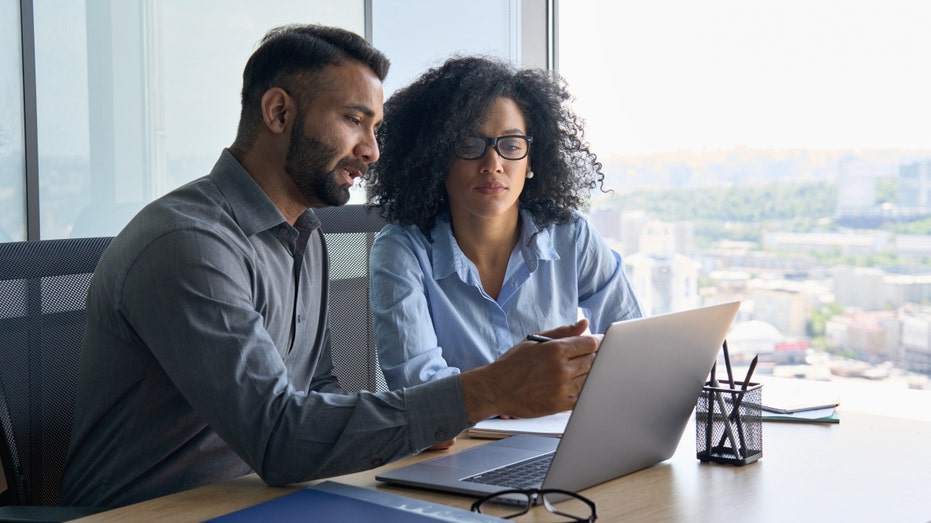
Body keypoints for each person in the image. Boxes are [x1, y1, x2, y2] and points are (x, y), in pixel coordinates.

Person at [59, 25, 598, 509]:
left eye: (376, 127)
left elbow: (317, 388)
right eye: (354, 121)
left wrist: (422, 420)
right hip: (159, 510)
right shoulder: (189, 244)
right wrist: (484, 391)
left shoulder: (306, 235)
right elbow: (278, 438)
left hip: (267, 499)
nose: (372, 151)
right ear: (278, 113)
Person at [367, 56, 642, 392]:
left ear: (531, 161)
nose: (493, 164)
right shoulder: (401, 250)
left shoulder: (571, 236)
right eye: (470, 145)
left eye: (511, 145)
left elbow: (633, 344)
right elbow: (418, 388)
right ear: (437, 158)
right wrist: (508, 395)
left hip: (560, 434)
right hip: (457, 442)